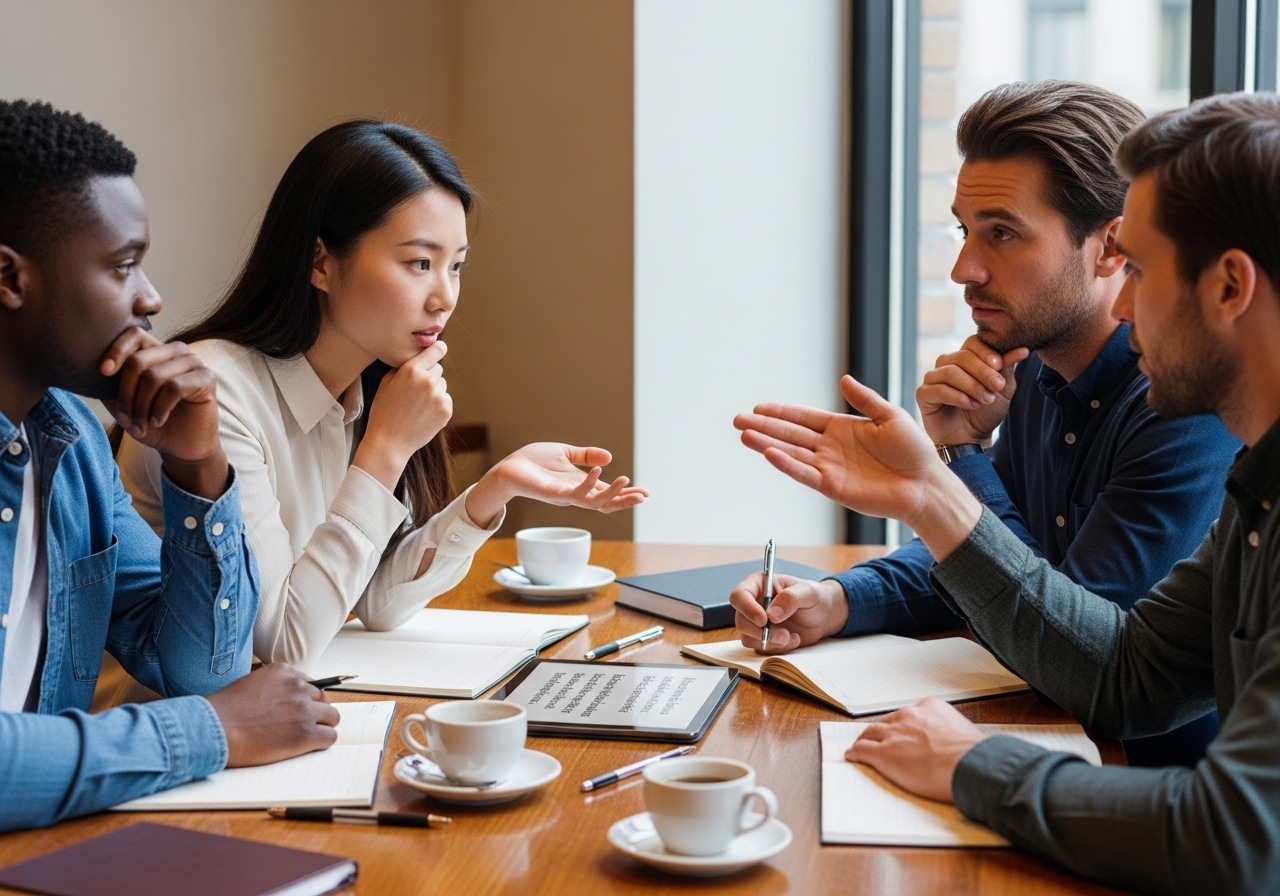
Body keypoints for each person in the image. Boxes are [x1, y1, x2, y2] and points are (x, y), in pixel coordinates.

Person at [734, 92, 1280, 894]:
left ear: (1229, 287)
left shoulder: (1201, 431)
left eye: (1144, 269)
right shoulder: (1258, 490)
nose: (1126, 305)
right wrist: (921, 507)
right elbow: (1128, 673)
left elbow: (1236, 836)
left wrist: (975, 763)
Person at [116, 121, 647, 671]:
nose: (445, 297)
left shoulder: (367, 387)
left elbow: (376, 605)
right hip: (173, 729)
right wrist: (385, 451)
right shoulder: (217, 393)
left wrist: (494, 490)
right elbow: (283, 644)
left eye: (456, 265)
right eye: (420, 263)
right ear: (321, 262)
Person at [0, 100, 339, 832]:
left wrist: (198, 465)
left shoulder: (78, 446)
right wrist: (213, 732)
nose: (151, 299)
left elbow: (198, 669)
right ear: (8, 278)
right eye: (123, 266)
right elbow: (214, 704)